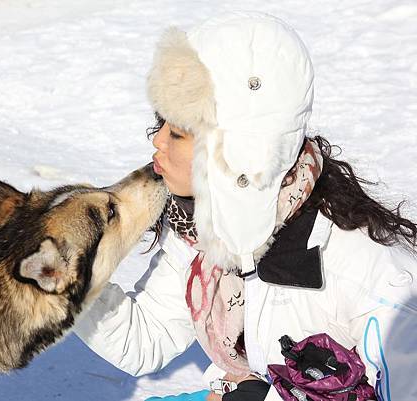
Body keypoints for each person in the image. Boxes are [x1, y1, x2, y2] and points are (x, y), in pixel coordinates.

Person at [74, 11, 417, 401]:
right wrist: (74, 285)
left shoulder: (366, 277)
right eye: (161, 123)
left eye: (179, 133)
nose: (158, 142)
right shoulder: (201, 230)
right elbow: (147, 338)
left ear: (238, 151)